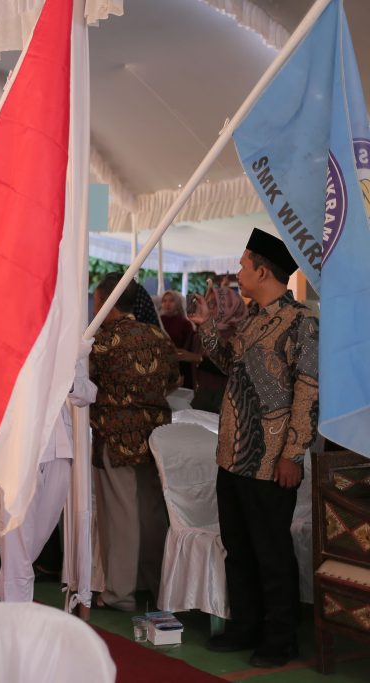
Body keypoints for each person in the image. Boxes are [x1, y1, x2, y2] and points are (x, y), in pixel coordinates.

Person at [190, 230, 317, 668]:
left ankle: (280, 637)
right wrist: (206, 327)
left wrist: (293, 454)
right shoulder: (253, 319)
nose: (239, 272)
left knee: (271, 551)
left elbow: (308, 390)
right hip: (233, 455)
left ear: (263, 270)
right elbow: (230, 367)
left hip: (270, 459)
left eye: (244, 264)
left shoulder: (302, 322)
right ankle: (246, 626)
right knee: (239, 547)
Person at [90, 274, 179, 612]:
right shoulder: (157, 335)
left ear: (106, 303)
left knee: (122, 514)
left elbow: (84, 385)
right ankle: (154, 584)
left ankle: (120, 594)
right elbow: (174, 380)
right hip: (154, 436)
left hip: (115, 436)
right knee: (152, 513)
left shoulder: (101, 341)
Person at [0, 345, 96, 604]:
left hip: (59, 448)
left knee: (36, 537)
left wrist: (66, 381)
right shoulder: (7, 337)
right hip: (19, 449)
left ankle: (2, 588)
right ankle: (17, 617)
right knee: (18, 541)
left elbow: (87, 392)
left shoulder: (62, 340)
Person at [189, 282, 247, 412]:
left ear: (228, 306)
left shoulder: (239, 335)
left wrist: (197, 358)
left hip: (226, 403)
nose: (208, 309)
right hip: (204, 397)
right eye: (207, 304)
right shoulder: (203, 331)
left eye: (213, 304)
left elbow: (231, 366)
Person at [159, 291, 196, 388]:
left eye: (171, 301)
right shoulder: (158, 321)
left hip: (179, 365)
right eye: (164, 301)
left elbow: (188, 348)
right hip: (160, 364)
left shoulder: (185, 324)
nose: (167, 304)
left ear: (178, 303)